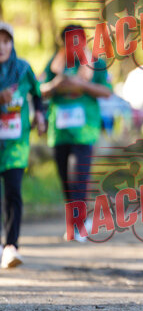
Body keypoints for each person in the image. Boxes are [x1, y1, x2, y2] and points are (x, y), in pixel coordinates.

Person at [40, 25, 112, 242]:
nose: (74, 45)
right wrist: (57, 84)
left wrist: (82, 84)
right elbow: (39, 89)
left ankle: (79, 225)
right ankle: (74, 222)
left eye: (78, 39)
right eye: (69, 40)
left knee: (78, 177)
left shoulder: (96, 63)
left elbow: (106, 91)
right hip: (60, 132)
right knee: (65, 178)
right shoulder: (54, 64)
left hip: (85, 132)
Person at [0, 22, 46, 268]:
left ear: (12, 44)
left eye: (6, 41)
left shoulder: (23, 69)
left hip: (16, 144)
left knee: (13, 193)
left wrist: (39, 114)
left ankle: (11, 246)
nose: (1, 46)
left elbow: (37, 93)